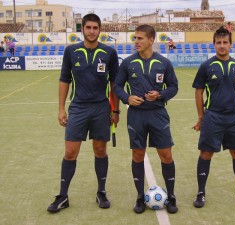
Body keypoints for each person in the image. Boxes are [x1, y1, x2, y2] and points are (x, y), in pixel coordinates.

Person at [47, 13, 120, 213]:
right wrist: (61, 108)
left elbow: (114, 84)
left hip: (101, 108)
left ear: (100, 30)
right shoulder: (71, 51)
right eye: (88, 27)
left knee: (100, 151)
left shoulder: (109, 53)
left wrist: (116, 109)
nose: (91, 31)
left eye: (95, 28)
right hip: (78, 108)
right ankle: (63, 196)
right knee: (70, 152)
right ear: (82, 29)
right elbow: (64, 80)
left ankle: (101, 192)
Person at [114, 24, 179, 214]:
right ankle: (140, 197)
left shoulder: (163, 63)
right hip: (136, 116)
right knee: (137, 155)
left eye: (140, 38)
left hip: (158, 114)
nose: (136, 42)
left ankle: (172, 196)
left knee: (166, 155)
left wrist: (159, 95)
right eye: (135, 38)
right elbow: (117, 86)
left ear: (151, 40)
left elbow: (174, 87)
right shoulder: (127, 63)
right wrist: (127, 98)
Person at [192, 26, 235, 208]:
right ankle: (200, 193)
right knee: (206, 153)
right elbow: (198, 93)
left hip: (234, 118)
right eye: (219, 42)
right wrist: (201, 116)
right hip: (212, 116)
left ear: (231, 44)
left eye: (225, 42)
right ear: (214, 44)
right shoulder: (206, 66)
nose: (222, 46)